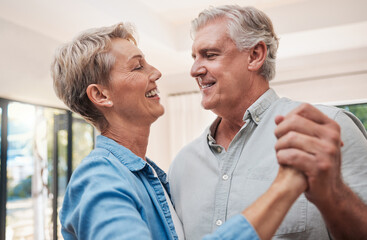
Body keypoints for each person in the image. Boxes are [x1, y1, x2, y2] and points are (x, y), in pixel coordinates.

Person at [51, 22, 310, 240]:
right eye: (138, 66)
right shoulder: (99, 178)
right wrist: (283, 190)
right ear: (100, 94)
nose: (157, 72)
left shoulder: (150, 175)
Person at [168, 5, 367, 240]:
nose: (194, 70)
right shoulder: (181, 165)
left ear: (255, 56)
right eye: (194, 57)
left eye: (210, 55)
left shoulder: (328, 129)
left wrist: (333, 194)